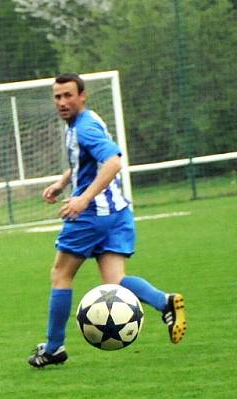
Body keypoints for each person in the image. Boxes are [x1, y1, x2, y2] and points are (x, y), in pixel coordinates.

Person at [28, 73, 187, 368]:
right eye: (57, 97)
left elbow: (113, 161)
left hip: (92, 216)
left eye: (68, 96)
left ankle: (53, 348)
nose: (62, 102)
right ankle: (165, 302)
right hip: (117, 213)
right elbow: (87, 162)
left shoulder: (84, 127)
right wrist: (64, 182)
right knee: (115, 281)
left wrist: (82, 199)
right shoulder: (86, 121)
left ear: (82, 95)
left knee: (61, 275)